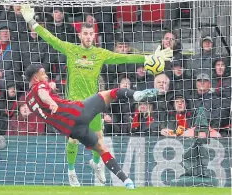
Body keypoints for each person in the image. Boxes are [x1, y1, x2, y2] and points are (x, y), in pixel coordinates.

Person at [20, 4, 173, 186]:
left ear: (94, 35)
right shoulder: (71, 49)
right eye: (85, 34)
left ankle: (96, 163)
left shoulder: (99, 54)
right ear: (80, 35)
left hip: (91, 103)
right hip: (73, 104)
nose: (88, 37)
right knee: (73, 141)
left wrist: (147, 58)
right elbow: (51, 39)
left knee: (99, 136)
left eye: (91, 34)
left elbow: (123, 58)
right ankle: (71, 171)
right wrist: (32, 22)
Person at [24, 64, 159, 189]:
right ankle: (136, 94)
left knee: (101, 148)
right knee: (108, 93)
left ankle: (127, 182)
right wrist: (51, 102)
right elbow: (43, 94)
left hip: (71, 130)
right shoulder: (40, 86)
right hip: (77, 112)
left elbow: (41, 99)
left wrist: (50, 91)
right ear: (36, 78)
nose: (46, 76)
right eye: (43, 74)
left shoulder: (28, 100)